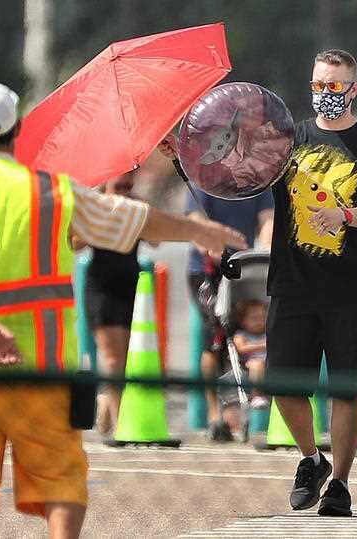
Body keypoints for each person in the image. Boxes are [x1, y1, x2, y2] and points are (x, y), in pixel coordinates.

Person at [0, 81, 245, 539]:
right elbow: (131, 219)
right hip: (46, 373)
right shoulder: (52, 193)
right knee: (62, 486)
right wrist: (199, 230)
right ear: (16, 130)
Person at [267, 49, 357, 517]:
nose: (325, 93)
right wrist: (190, 162)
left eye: (335, 85)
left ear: (354, 89)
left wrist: (344, 215)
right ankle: (311, 458)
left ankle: (340, 483)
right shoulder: (290, 139)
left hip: (351, 286)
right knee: (283, 382)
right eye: (318, 85)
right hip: (292, 281)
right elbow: (241, 178)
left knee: (346, 390)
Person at [159, 134, 274, 441]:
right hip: (207, 273)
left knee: (249, 331)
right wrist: (211, 246)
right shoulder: (203, 182)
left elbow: (267, 221)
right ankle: (214, 414)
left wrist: (265, 245)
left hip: (244, 270)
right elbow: (195, 224)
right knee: (216, 335)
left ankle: (248, 403)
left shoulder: (257, 186)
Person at [78, 171, 151, 436]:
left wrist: (136, 211)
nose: (124, 191)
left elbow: (156, 239)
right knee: (112, 358)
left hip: (130, 284)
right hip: (102, 287)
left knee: (126, 357)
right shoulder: (95, 207)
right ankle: (119, 419)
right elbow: (75, 243)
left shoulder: (136, 206)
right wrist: (102, 214)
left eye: (129, 185)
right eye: (119, 185)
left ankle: (106, 412)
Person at [232, 299, 269, 409]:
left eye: (263, 318)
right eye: (254, 319)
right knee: (257, 365)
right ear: (243, 321)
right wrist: (262, 345)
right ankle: (256, 395)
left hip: (268, 362)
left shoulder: (268, 334)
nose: (260, 321)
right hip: (249, 364)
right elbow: (241, 348)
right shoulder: (241, 335)